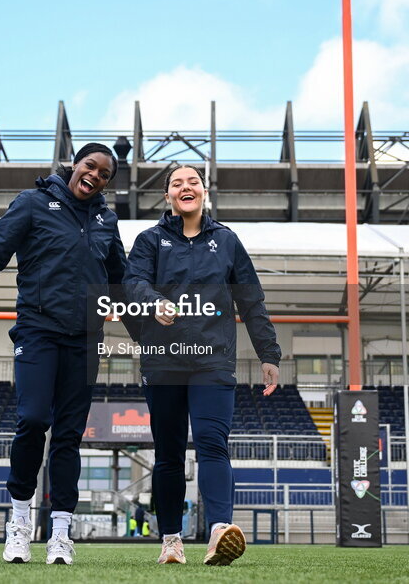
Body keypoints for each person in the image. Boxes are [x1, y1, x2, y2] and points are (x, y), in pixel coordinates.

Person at [0, 143, 132, 566]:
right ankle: (18, 523)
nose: (96, 176)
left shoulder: (107, 220)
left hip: (86, 339)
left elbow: (121, 282)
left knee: (69, 436)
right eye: (91, 166)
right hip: (37, 330)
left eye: (105, 174)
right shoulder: (33, 204)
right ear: (75, 165)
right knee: (33, 419)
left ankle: (60, 534)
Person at [124, 164, 281, 566]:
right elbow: (132, 282)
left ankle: (218, 533)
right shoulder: (149, 240)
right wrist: (152, 302)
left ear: (204, 192)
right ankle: (172, 541)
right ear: (168, 197)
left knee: (213, 443)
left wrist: (269, 354)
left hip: (213, 361)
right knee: (169, 453)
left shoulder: (227, 241)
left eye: (193, 181)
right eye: (177, 183)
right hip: (163, 363)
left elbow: (251, 300)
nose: (186, 187)